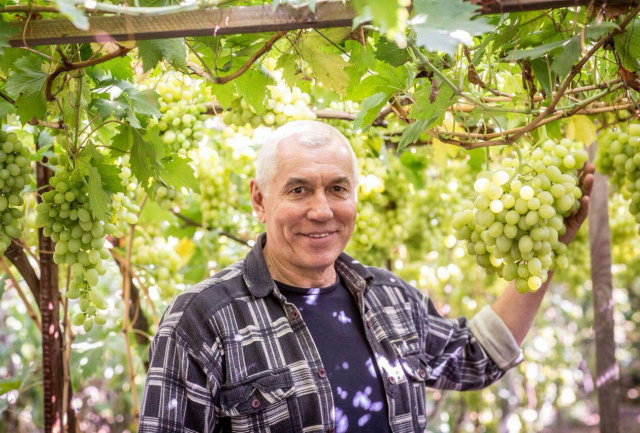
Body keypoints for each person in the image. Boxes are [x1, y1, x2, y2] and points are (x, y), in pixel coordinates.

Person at [138, 120, 594, 433]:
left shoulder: (391, 298)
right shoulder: (201, 319)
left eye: (337, 189)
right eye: (299, 190)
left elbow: (476, 357)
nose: (322, 210)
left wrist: (546, 251)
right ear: (259, 199)